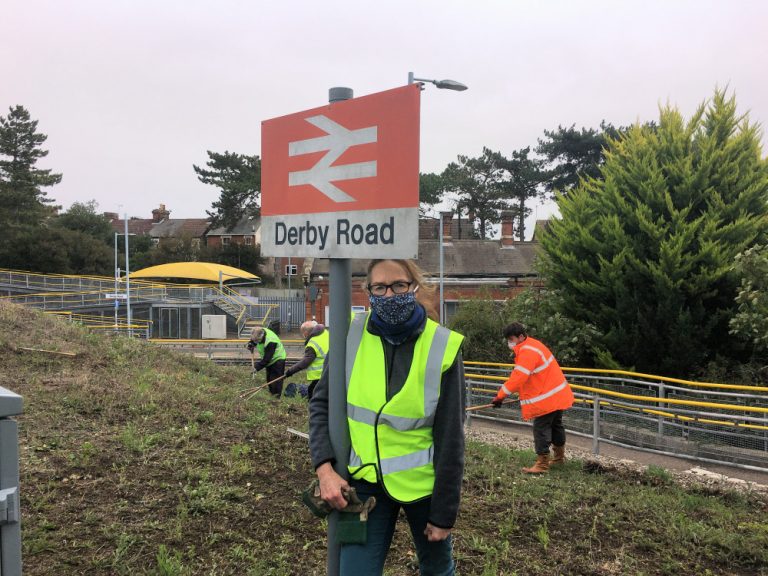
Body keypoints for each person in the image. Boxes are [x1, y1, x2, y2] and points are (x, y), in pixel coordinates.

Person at [309, 259, 466, 576]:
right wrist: (324, 469)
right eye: (379, 287)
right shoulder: (349, 336)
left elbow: (451, 437)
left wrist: (444, 513)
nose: (389, 295)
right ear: (368, 291)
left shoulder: (443, 345)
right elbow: (321, 404)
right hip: (365, 483)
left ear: (414, 287)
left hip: (424, 490)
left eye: (398, 286)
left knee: (438, 570)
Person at [492, 322, 574, 474]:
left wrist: (500, 396)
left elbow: (518, 377)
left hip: (547, 398)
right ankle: (559, 458)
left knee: (541, 428)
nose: (510, 343)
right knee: (556, 425)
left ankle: (542, 465)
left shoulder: (527, 351)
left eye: (511, 339)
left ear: (521, 336)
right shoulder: (533, 345)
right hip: (557, 394)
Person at [284, 320, 329, 400]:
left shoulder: (312, 344)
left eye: (302, 333)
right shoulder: (325, 333)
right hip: (331, 371)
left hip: (320, 374)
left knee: (313, 393)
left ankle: (314, 410)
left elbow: (305, 362)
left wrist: (289, 372)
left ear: (305, 333)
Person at [247, 326, 287, 397]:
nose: (257, 342)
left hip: (278, 359)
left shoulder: (271, 341)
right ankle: (271, 395)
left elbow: (267, 359)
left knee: (275, 380)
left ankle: (276, 398)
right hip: (269, 360)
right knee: (269, 379)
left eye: (257, 341)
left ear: (262, 336)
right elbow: (254, 340)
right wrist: (251, 344)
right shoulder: (258, 332)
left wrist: (256, 368)